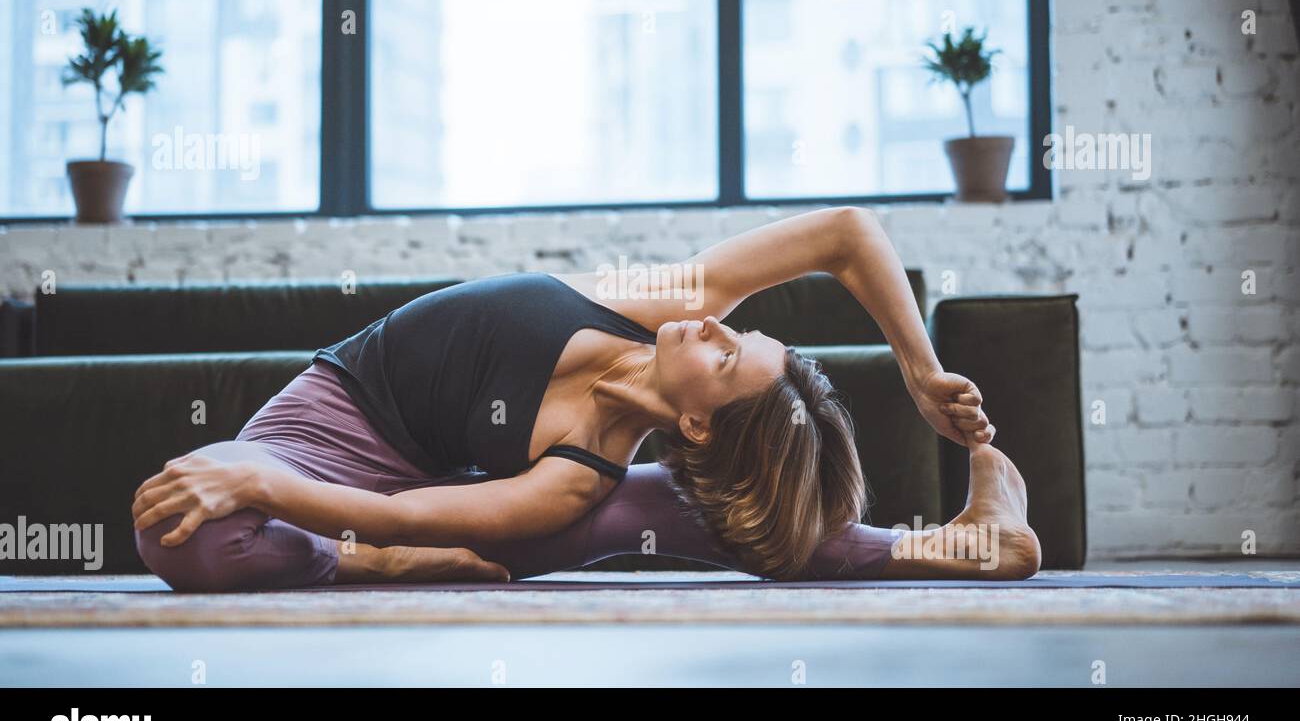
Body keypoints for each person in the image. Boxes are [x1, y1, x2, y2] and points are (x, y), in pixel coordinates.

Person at [133, 206, 1041, 591]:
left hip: (394, 497)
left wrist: (256, 493)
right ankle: (368, 567)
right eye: (741, 331)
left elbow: (396, 508)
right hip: (320, 430)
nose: (716, 326)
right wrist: (921, 372)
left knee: (190, 535)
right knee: (180, 518)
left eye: (727, 358)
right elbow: (846, 233)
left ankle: (974, 542)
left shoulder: (578, 479)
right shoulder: (649, 301)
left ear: (694, 419)